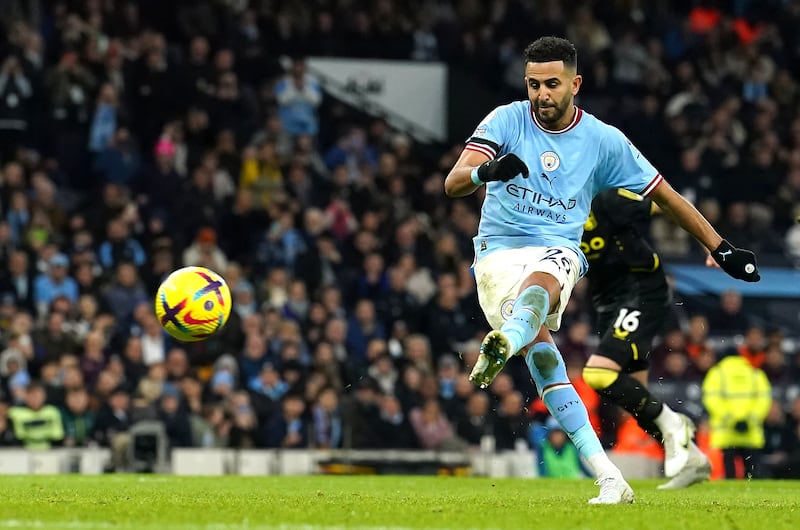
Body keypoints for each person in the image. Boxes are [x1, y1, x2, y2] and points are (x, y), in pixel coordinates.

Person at [444, 36, 760, 504]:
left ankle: (506, 341)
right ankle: (611, 476)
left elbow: (666, 196)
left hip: (558, 250)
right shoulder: (506, 119)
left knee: (550, 273)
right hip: (496, 255)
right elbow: (453, 183)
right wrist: (484, 173)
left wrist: (721, 247)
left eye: (552, 84)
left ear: (576, 83)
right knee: (547, 363)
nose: (541, 94)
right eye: (533, 84)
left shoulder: (603, 140)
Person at [580, 188, 712, 489]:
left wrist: (709, 244)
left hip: (642, 289)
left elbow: (669, 204)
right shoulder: (552, 213)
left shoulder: (606, 199)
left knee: (599, 374)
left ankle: (676, 425)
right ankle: (692, 458)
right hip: (607, 301)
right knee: (635, 394)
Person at [702, 348, 772, 479]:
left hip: (726, 433)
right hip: (750, 433)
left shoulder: (717, 374)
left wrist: (731, 420)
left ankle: (730, 496)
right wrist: (749, 420)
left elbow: (711, 400)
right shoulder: (755, 373)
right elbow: (764, 400)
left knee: (729, 474)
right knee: (752, 475)